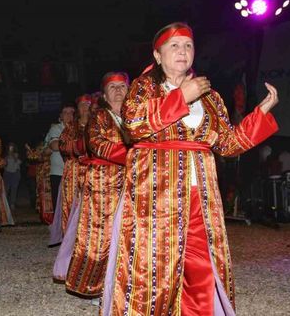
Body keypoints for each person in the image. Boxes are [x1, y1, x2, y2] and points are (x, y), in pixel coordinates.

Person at [103, 22, 279, 316]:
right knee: (154, 271)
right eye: (174, 46)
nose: (182, 51)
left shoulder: (210, 96)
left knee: (202, 269)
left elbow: (227, 144)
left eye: (188, 46)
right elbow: (133, 126)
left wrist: (260, 113)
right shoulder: (144, 88)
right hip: (157, 195)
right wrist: (181, 97)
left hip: (202, 197)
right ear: (158, 56)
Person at [63, 72, 130, 302]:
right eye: (113, 87)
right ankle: (94, 285)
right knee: (99, 237)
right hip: (103, 182)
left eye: (122, 85)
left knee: (129, 234)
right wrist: (136, 156)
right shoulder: (99, 116)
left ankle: (124, 286)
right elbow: (97, 144)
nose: (118, 90)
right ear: (104, 94)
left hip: (133, 181)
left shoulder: (137, 116)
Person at [58, 94, 91, 232]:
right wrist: (79, 146)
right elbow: (63, 145)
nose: (85, 108)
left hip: (92, 169)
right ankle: (70, 239)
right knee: (72, 203)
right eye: (82, 105)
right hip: (74, 170)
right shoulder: (71, 127)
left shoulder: (98, 124)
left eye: (88, 105)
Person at [46, 104, 75, 245]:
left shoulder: (79, 127)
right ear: (60, 116)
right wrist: (76, 144)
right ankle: (60, 235)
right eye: (65, 112)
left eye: (71, 112)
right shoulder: (56, 128)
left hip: (77, 173)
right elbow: (54, 146)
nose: (69, 115)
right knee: (59, 204)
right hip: (59, 172)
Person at [26, 140, 54, 224]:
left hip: (49, 174)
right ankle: (45, 216)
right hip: (44, 175)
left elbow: (34, 156)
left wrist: (29, 150)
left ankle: (48, 217)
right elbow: (32, 156)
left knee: (47, 195)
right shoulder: (43, 147)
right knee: (43, 195)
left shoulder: (49, 146)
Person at [3, 142, 22, 211]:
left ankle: (12, 204)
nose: (11, 148)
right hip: (7, 173)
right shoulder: (5, 155)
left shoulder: (17, 155)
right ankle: (5, 204)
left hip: (15, 174)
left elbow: (19, 162)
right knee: (6, 189)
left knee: (14, 189)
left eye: (12, 147)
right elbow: (3, 164)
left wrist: (13, 156)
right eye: (10, 147)